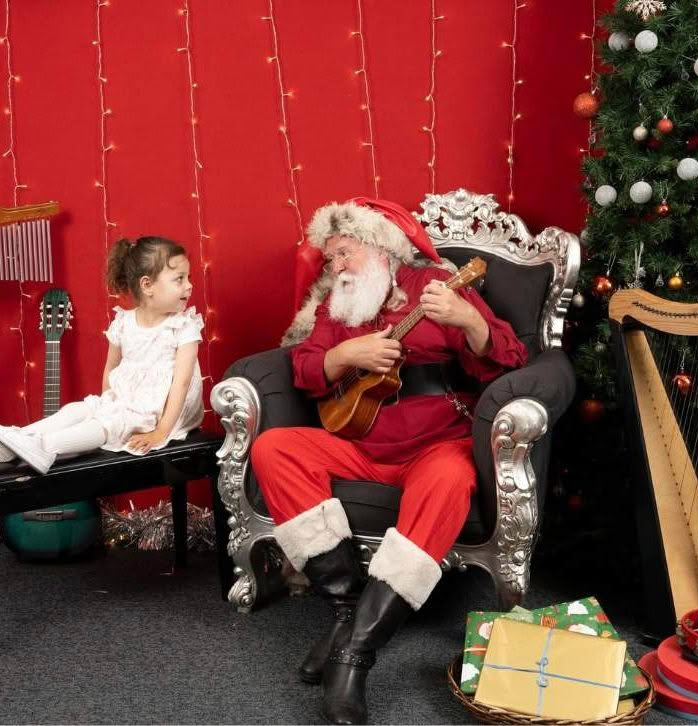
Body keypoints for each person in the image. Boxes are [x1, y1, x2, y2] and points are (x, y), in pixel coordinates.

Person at [250, 198, 528, 725]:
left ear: (380, 247)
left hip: (433, 445)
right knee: (273, 447)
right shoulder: (338, 307)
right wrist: (345, 357)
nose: (335, 268)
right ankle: (344, 607)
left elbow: (510, 358)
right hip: (359, 445)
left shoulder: (439, 290)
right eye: (329, 259)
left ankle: (354, 653)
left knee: (450, 477)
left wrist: (469, 319)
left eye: (343, 253)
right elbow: (305, 365)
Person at [0, 236, 204, 475]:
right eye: (180, 279)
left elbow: (181, 384)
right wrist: (107, 404)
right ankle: (17, 438)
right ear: (147, 285)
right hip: (127, 400)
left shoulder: (183, 325)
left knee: (108, 423)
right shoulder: (125, 322)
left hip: (163, 412)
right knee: (78, 410)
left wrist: (161, 431)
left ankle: (45, 446)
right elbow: (110, 368)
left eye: (188, 277)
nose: (189, 285)